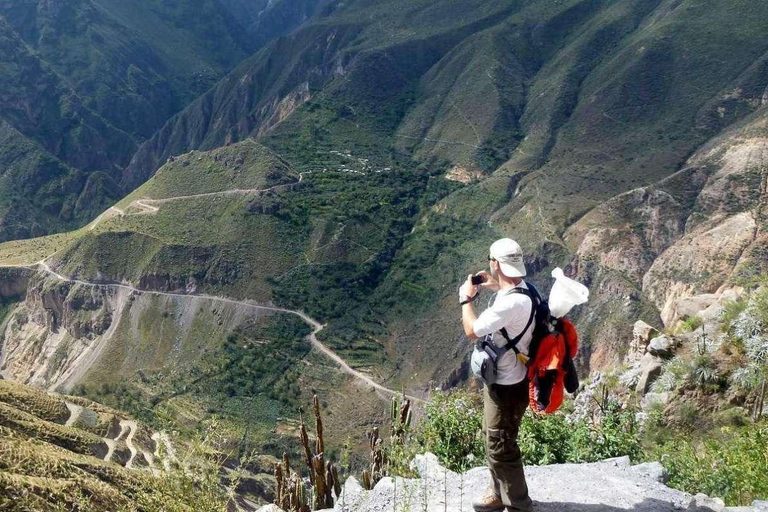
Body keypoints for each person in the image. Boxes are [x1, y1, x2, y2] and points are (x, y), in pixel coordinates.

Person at [459, 238, 535, 512]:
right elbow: (508, 294)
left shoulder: (509, 306)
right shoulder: (526, 290)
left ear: (495, 263)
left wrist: (465, 298)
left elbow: (472, 330)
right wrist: (491, 283)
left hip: (506, 386)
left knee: (501, 446)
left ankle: (518, 505)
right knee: (495, 438)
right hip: (513, 378)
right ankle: (498, 493)